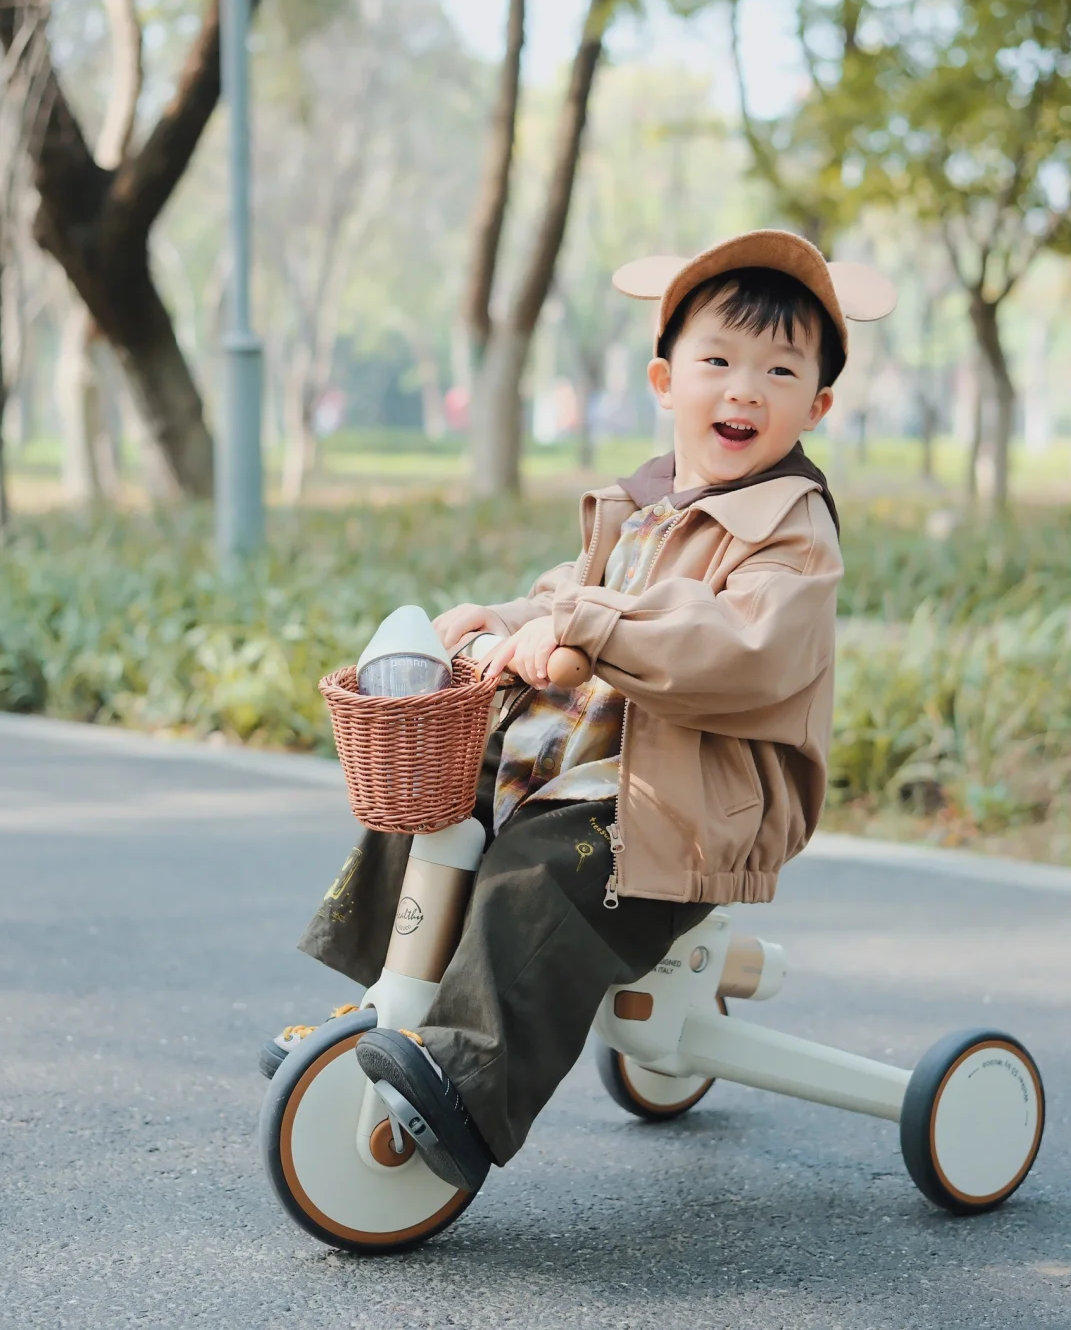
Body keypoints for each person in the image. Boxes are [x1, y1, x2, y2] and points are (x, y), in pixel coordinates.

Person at [262, 228, 895, 1195]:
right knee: (438, 802)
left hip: (681, 804)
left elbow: (734, 648)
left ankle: (468, 1090)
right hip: (577, 767)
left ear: (816, 404)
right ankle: (384, 1007)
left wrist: (584, 623)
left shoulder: (793, 533)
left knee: (538, 878)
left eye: (778, 370)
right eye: (717, 360)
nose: (743, 389)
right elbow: (568, 589)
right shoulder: (641, 505)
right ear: (664, 380)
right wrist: (502, 618)